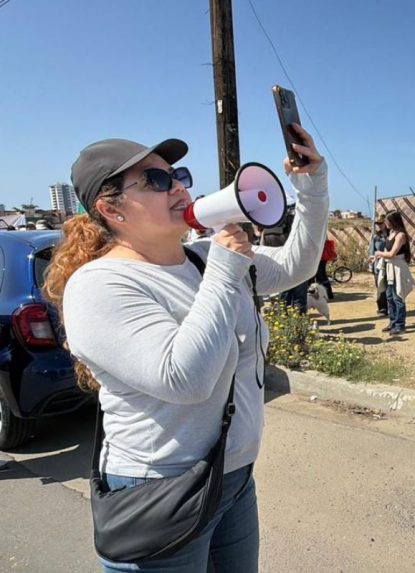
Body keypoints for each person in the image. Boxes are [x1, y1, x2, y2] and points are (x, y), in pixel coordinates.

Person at [43, 128, 328, 571]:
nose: (178, 187)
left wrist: (311, 186)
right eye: (155, 181)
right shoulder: (100, 286)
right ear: (110, 208)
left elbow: (298, 264)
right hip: (160, 489)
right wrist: (225, 267)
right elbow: (186, 379)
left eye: (177, 175)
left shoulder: (198, 258)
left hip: (232, 476)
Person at [374, 211, 415, 335]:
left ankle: (400, 324)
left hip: (397, 268)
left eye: (387, 220)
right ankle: (392, 322)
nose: (385, 223)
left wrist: (379, 253)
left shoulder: (400, 235)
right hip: (389, 267)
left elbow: (392, 254)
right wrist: (377, 257)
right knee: (389, 296)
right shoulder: (390, 233)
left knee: (398, 296)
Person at [369, 216, 388, 316]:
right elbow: (372, 251)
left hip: (389, 264)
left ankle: (390, 307)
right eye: (378, 224)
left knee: (389, 286)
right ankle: (382, 308)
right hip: (378, 265)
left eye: (381, 223)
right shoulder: (376, 236)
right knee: (380, 285)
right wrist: (371, 264)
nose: (379, 225)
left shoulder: (391, 235)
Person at [315, 231, 336, 300]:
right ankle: (328, 293)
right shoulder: (322, 229)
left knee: (319, 275)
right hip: (322, 256)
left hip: (318, 255)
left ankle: (326, 294)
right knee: (322, 275)